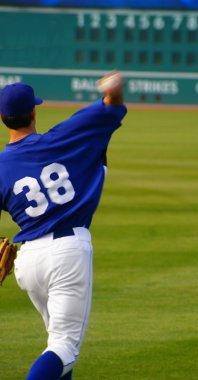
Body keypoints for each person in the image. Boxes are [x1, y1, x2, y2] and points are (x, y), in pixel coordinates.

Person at [0, 74, 127, 380]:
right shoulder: (65, 136)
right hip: (67, 253)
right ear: (34, 112)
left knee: (56, 347)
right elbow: (112, 103)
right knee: (65, 348)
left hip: (28, 262)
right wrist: (113, 89)